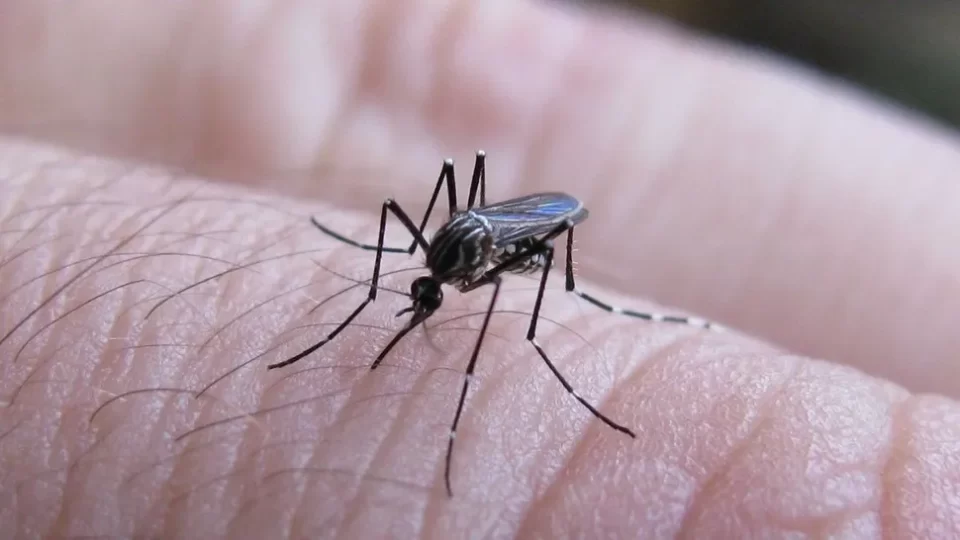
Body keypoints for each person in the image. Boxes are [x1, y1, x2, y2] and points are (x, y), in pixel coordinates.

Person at [1, 1, 959, 537]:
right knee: (437, 217)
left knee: (502, 263)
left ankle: (556, 322)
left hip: (516, 226)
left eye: (418, 299)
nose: (419, 306)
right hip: (469, 232)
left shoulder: (472, 262)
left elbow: (501, 248)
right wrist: (380, 289)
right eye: (420, 296)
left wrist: (515, 325)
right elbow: (426, 250)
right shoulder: (431, 261)